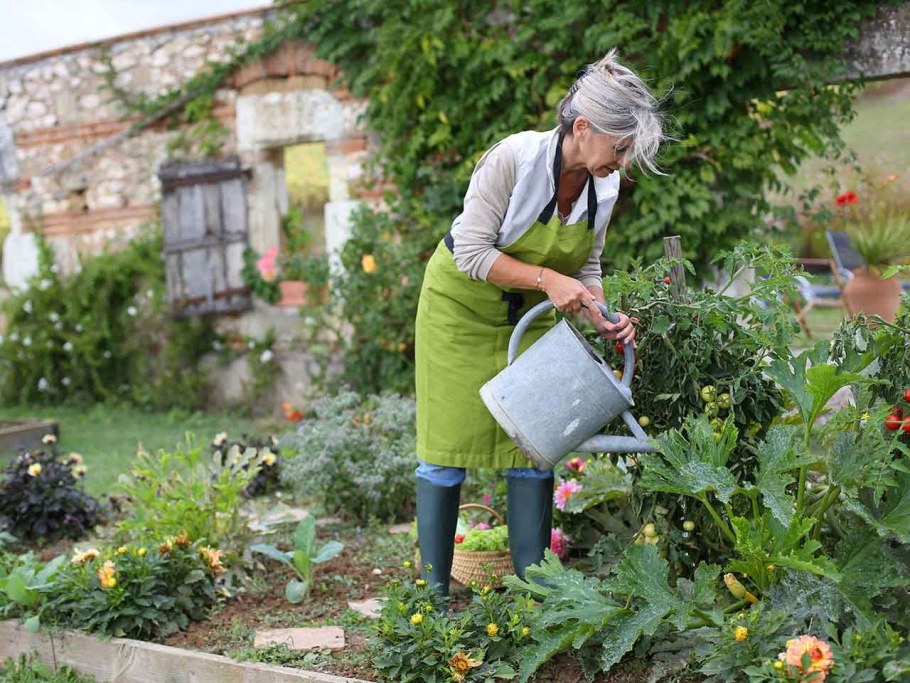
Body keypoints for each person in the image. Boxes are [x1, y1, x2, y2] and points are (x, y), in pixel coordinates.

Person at [414, 49, 665, 595]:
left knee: (535, 445)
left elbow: (588, 264)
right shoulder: (512, 161)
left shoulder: (605, 185)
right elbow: (471, 253)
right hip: (459, 314)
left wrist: (601, 313)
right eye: (619, 148)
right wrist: (549, 280)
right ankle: (432, 600)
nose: (622, 162)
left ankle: (533, 595)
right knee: (444, 454)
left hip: (528, 320)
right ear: (583, 127)